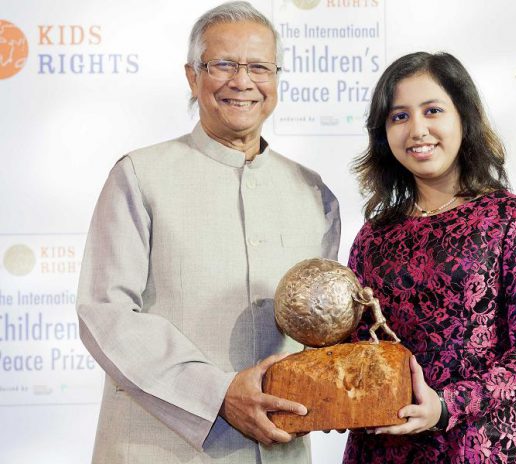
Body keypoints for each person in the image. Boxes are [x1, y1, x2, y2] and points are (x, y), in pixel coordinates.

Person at [76, 2, 340, 463]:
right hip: (158, 446)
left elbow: (322, 334)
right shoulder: (140, 175)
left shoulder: (313, 193)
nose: (243, 81)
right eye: (223, 64)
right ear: (192, 76)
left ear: (276, 78)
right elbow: (105, 311)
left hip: (280, 449)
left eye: (259, 66)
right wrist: (218, 394)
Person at [343, 52, 516, 463]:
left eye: (432, 111)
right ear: (383, 133)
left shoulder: (510, 220)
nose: (417, 130)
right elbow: (359, 345)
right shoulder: (373, 236)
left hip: (483, 445)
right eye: (399, 116)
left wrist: (446, 405)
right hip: (383, 447)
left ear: (464, 117)